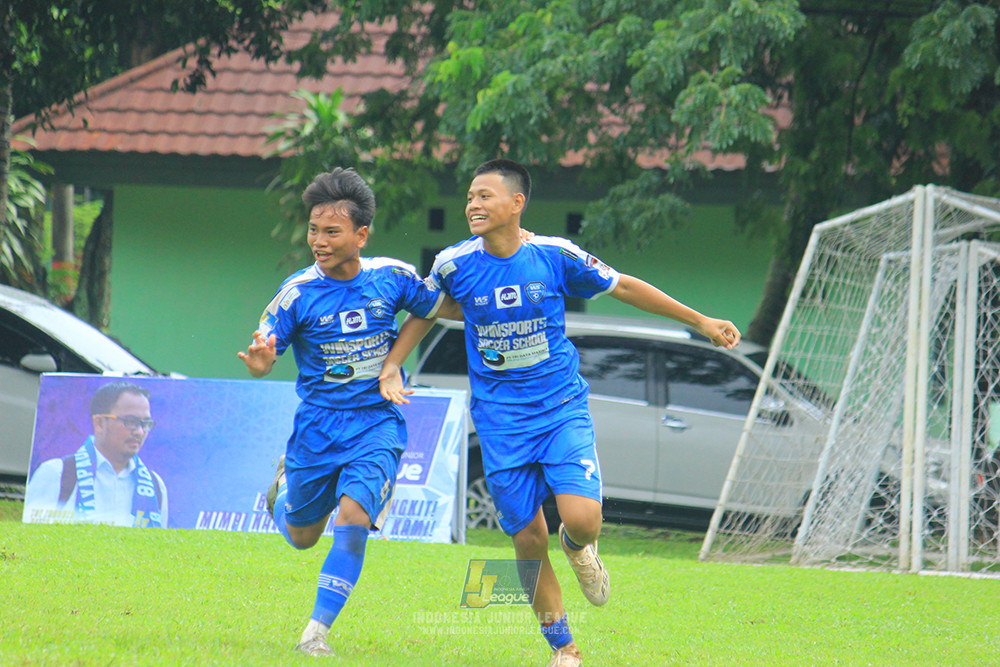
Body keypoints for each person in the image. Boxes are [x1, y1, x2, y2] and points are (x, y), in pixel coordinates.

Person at [379, 158, 741, 667]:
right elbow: (426, 307)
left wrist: (700, 320)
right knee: (527, 540)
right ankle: (564, 649)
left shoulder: (554, 255)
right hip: (501, 421)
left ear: (516, 203)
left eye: (485, 196)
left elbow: (625, 286)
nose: (473, 205)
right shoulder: (453, 263)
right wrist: (394, 364)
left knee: (583, 519)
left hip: (560, 408)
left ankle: (579, 548)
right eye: (469, 197)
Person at [237, 167, 460, 657]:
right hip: (318, 425)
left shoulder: (392, 277)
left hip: (377, 420)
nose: (319, 240)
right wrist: (259, 363)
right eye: (314, 230)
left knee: (353, 515)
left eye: (331, 231)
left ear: (361, 234)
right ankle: (282, 491)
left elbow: (434, 306)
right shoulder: (296, 293)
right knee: (301, 536)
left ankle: (315, 633)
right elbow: (264, 347)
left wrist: (397, 361)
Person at [23, 380, 168, 528]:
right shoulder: (56, 473)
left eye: (146, 424)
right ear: (99, 423)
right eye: (130, 421)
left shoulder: (155, 486)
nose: (139, 431)